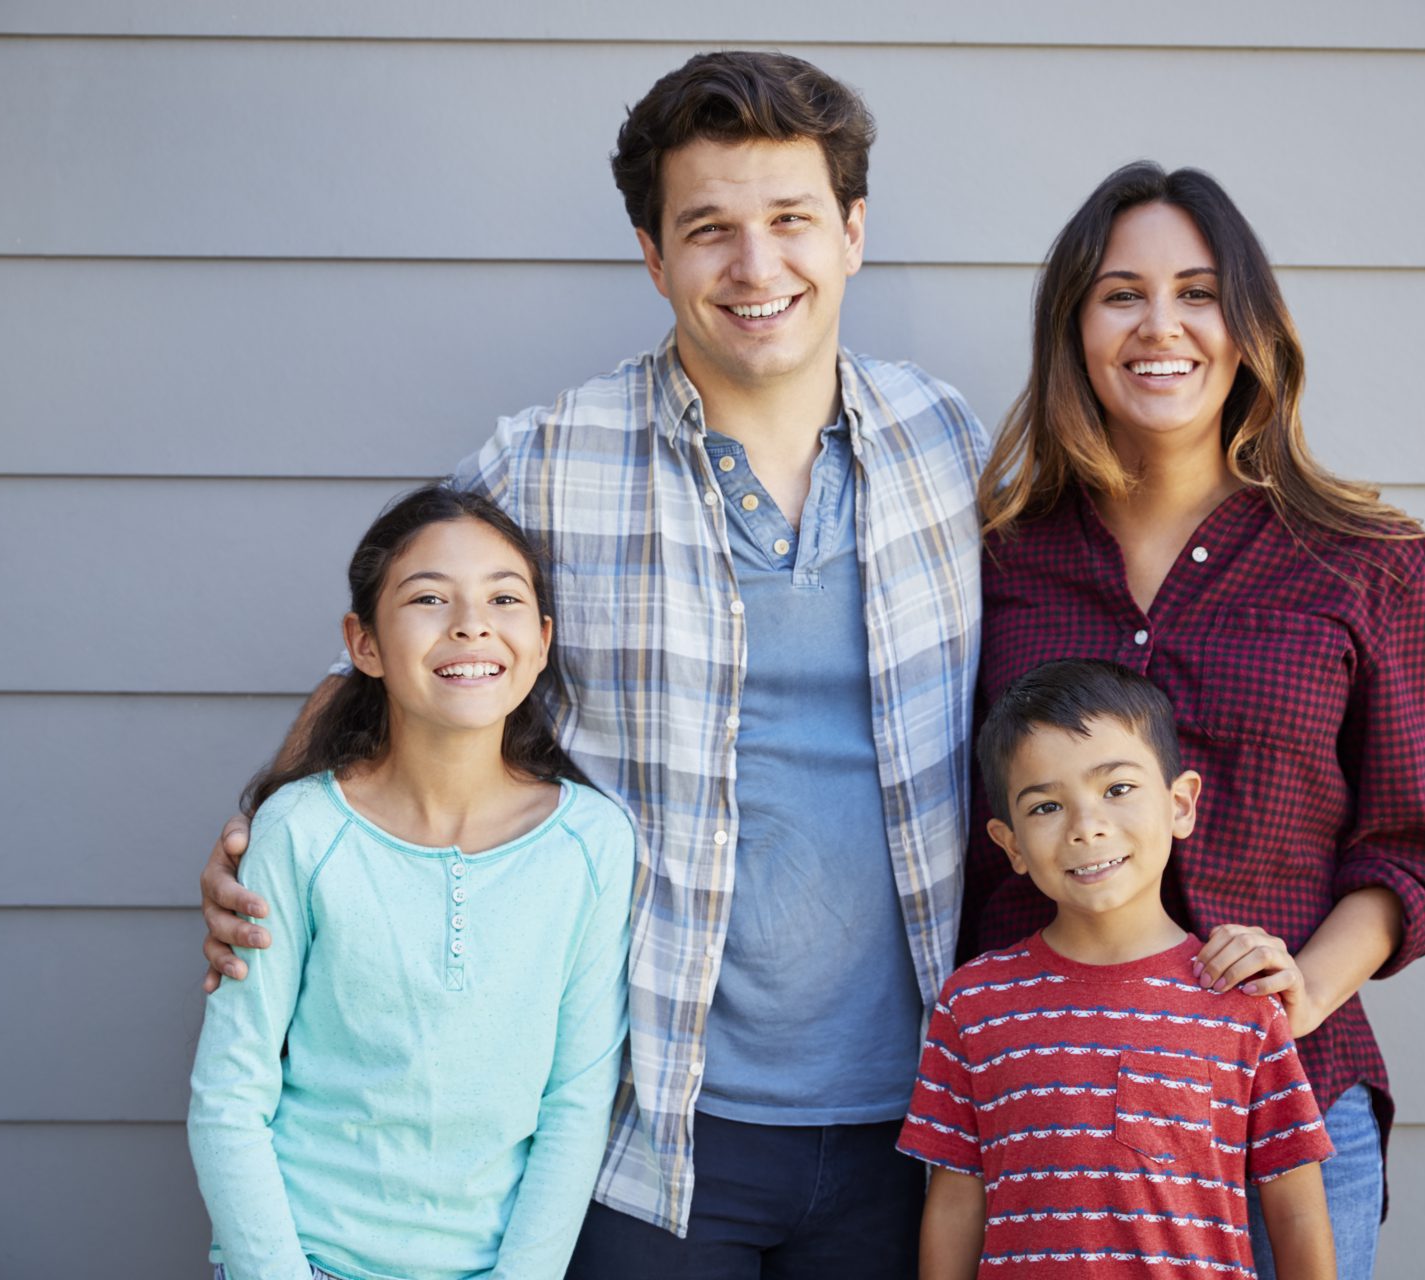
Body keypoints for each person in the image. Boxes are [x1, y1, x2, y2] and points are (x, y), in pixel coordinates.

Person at [199, 52, 987, 1275]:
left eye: (790, 220)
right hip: (651, 1121)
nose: (756, 265)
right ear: (653, 254)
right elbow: (398, 663)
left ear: (852, 233)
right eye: (709, 228)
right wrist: (259, 834)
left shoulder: (949, 443)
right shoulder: (549, 460)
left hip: (916, 1112)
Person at [965, 163, 1425, 1280]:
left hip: (1281, 1110)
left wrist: (1306, 989)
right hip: (1048, 1111)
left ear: (1249, 326)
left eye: (1198, 292)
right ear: (1074, 330)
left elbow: (1410, 852)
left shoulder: (1375, 565)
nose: (1162, 326)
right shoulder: (995, 557)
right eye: (1120, 293)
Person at [188, 483, 634, 1280]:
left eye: (502, 598)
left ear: (539, 641)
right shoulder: (303, 831)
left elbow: (573, 1105)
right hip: (305, 1260)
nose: (470, 623)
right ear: (364, 644)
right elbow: (229, 1096)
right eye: (429, 597)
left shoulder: (590, 845)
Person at [902, 659, 1336, 1280]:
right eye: (1047, 806)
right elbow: (953, 1205)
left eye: (1117, 789)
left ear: (1180, 803)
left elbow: (1294, 1210)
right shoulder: (972, 1002)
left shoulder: (1239, 996)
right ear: (1011, 845)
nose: (1087, 827)